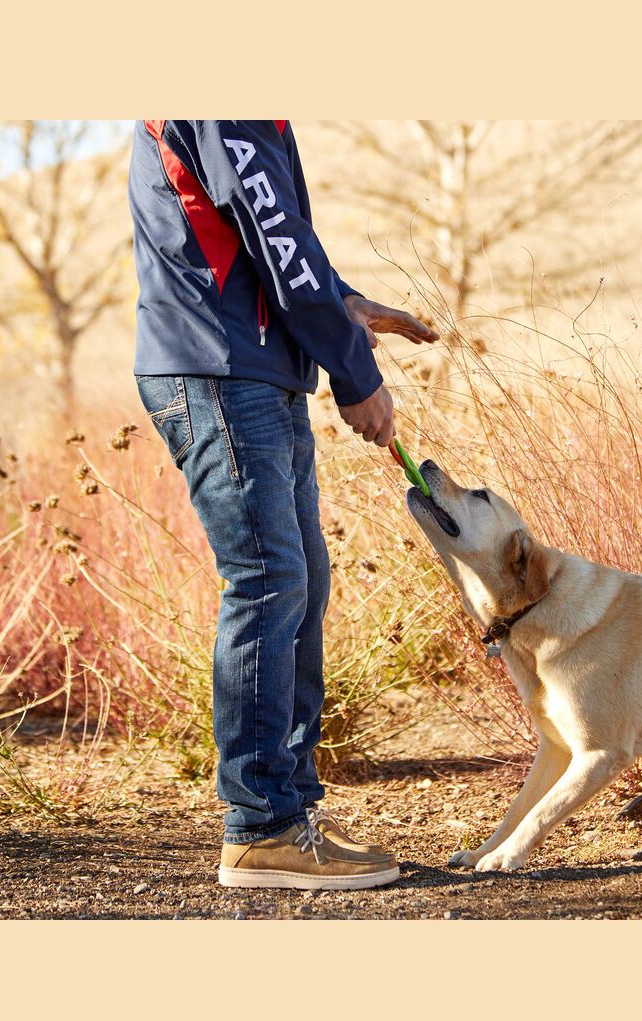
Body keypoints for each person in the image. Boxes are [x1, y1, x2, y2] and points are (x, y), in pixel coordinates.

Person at [128, 120, 438, 890]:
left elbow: (271, 235)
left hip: (256, 369)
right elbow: (272, 236)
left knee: (301, 585)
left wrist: (347, 308)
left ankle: (290, 816)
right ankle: (261, 826)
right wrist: (353, 368)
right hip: (221, 370)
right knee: (268, 585)